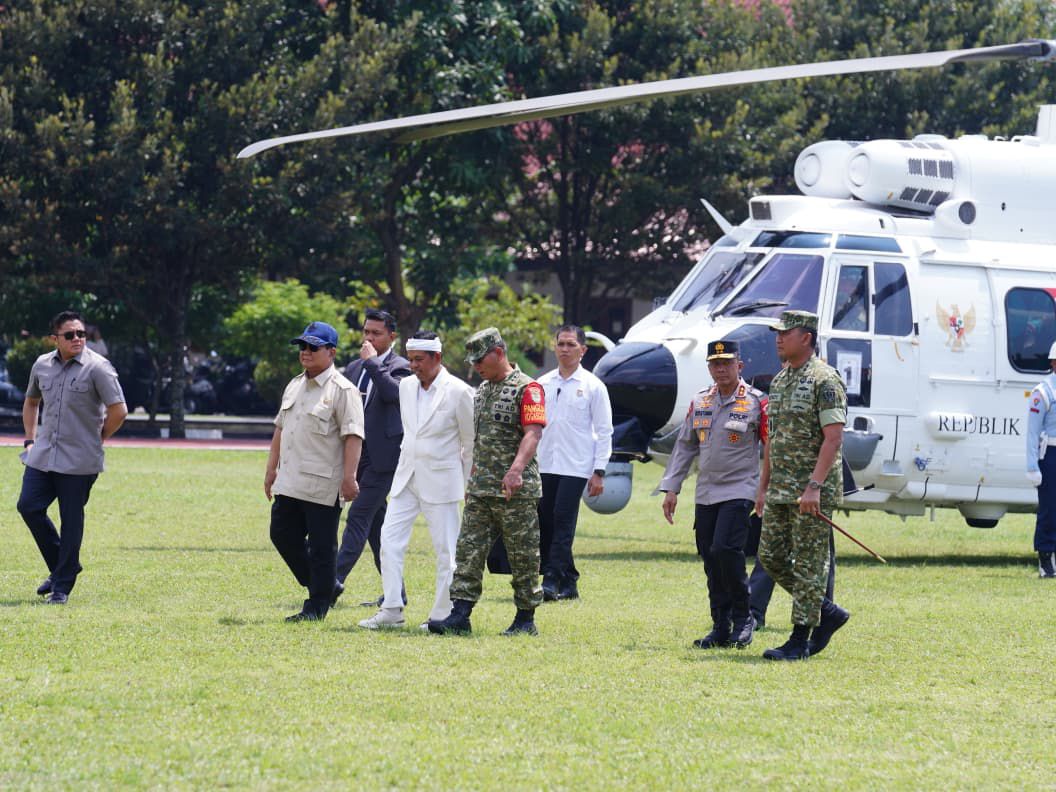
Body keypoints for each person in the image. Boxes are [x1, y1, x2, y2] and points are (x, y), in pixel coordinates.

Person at [429, 327, 547, 636]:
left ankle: (525, 618)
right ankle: (460, 614)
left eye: (481, 359)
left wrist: (516, 469)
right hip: (481, 488)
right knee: (468, 551)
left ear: (498, 353)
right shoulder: (481, 390)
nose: (476, 366)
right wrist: (472, 479)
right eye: (473, 362)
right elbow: (476, 441)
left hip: (515, 490)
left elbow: (533, 433)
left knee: (523, 554)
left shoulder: (528, 388)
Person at [359, 331, 475, 629]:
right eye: (410, 359)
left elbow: (471, 443)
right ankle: (392, 609)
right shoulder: (407, 386)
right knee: (389, 541)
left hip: (443, 481)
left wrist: (467, 485)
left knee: (447, 553)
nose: (413, 365)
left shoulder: (460, 391)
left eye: (419, 360)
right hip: (406, 476)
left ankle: (440, 616)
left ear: (437, 358)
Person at [659, 340, 766, 649]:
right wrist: (671, 487)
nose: (720, 369)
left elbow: (770, 445)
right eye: (715, 364)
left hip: (740, 488)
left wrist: (764, 489)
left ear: (740, 366)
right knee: (709, 556)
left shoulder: (757, 403)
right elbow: (685, 446)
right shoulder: (700, 401)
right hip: (706, 492)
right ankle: (720, 625)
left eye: (727, 363)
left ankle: (744, 617)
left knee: (725, 549)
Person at [755, 310, 850, 660]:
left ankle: (799, 639)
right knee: (771, 556)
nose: (778, 339)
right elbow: (772, 439)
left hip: (811, 489)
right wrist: (762, 486)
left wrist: (814, 487)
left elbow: (833, 438)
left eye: (785, 333)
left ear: (806, 338)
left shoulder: (826, 380)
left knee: (810, 562)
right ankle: (827, 611)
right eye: (777, 333)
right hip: (780, 486)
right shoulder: (780, 381)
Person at [17, 310, 127, 604]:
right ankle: (65, 566)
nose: (78, 339)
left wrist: (99, 438)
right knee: (28, 507)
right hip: (43, 456)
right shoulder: (42, 365)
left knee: (71, 520)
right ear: (55, 339)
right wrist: (30, 439)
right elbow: (31, 402)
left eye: (82, 333)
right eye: (70, 335)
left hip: (80, 461)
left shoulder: (98, 368)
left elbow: (119, 410)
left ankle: (61, 587)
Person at [265, 322, 364, 622]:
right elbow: (280, 429)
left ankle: (317, 606)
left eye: (313, 347)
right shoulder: (294, 384)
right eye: (302, 347)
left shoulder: (343, 390)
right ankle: (327, 585)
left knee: (322, 548)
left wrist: (349, 478)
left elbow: (353, 436)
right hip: (291, 478)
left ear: (331, 352)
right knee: (281, 534)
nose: (305, 352)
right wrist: (271, 469)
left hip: (323, 481)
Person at [334, 309, 411, 606]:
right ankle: (396, 593)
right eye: (366, 332)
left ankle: (332, 582)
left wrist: (373, 364)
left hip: (384, 459)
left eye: (376, 333)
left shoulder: (401, 366)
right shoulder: (354, 368)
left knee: (357, 517)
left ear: (392, 336)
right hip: (358, 456)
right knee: (376, 530)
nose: (369, 338)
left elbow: (395, 395)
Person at [536, 325, 613, 601]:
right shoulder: (543, 384)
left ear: (583, 350)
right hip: (545, 463)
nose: (565, 349)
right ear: (554, 347)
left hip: (576, 465)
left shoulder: (594, 386)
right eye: (561, 344)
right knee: (545, 521)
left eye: (571, 345)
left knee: (562, 521)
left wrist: (599, 471)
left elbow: (604, 431)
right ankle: (570, 583)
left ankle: (551, 579)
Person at [1026, 340, 1056, 578]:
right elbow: (1032, 433)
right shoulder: (1043, 392)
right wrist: (1032, 465)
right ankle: (1045, 557)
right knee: (1049, 509)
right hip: (1051, 456)